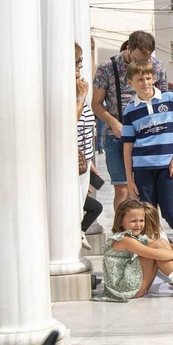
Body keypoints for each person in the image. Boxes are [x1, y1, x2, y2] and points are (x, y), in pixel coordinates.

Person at [119, 60, 173, 266]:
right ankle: (156, 252)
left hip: (168, 167)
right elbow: (127, 146)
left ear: (154, 78)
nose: (145, 83)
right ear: (131, 82)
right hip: (142, 168)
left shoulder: (170, 99)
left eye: (148, 78)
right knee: (147, 213)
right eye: (140, 79)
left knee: (171, 211)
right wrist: (129, 180)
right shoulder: (130, 111)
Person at [92, 30, 167, 211]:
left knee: (147, 187)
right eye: (138, 57)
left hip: (147, 135)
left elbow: (163, 101)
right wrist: (113, 122)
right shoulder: (107, 67)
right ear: (129, 48)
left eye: (147, 58)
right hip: (116, 136)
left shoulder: (157, 67)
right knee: (122, 188)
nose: (143, 63)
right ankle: (121, 232)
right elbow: (96, 104)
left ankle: (149, 230)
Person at [97, 200, 173, 301]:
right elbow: (153, 253)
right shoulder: (123, 239)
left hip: (137, 286)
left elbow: (165, 245)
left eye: (141, 220)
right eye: (133, 221)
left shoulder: (135, 237)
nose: (138, 225)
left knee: (160, 242)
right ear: (120, 221)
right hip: (125, 290)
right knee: (155, 250)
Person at [76, 44, 103, 234]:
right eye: (77, 63)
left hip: (82, 164)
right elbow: (69, 124)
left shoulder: (79, 90)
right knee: (86, 207)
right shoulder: (76, 95)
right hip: (73, 168)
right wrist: (80, 98)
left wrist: (89, 162)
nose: (79, 68)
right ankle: (78, 234)